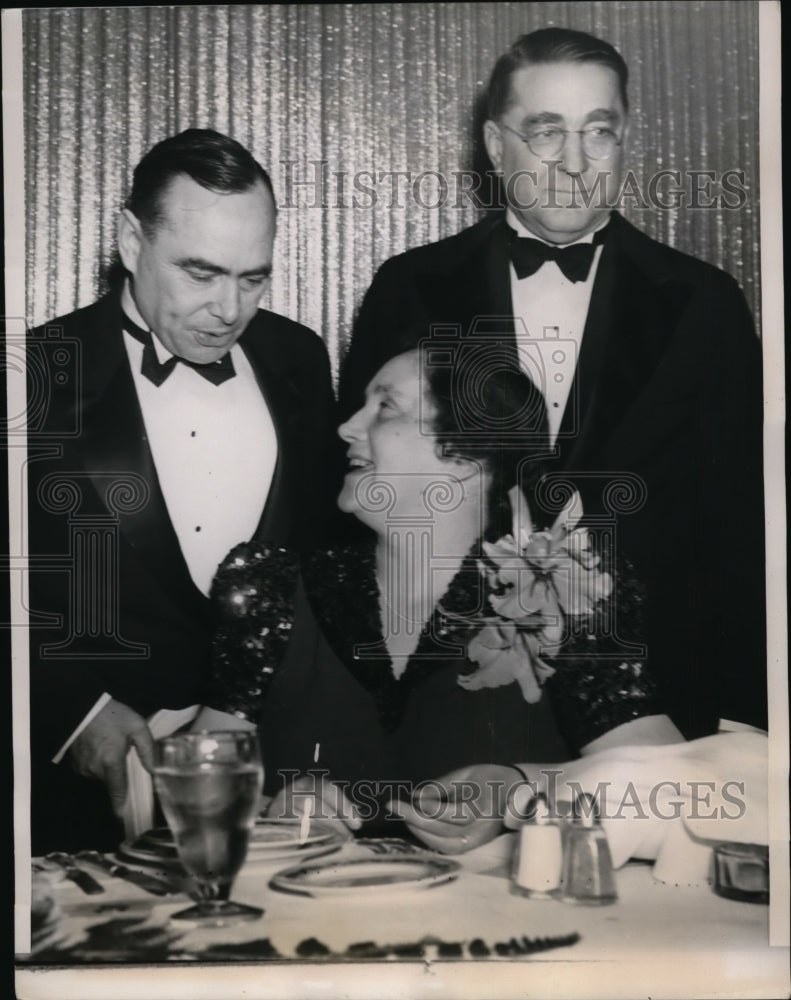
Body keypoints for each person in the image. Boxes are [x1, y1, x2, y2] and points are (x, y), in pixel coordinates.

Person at [338, 27, 766, 740]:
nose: (574, 162)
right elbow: (360, 510)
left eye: (598, 132)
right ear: (495, 145)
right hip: (456, 703)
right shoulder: (410, 288)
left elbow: (742, 527)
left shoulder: (703, 303)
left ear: (626, 138)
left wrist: (743, 723)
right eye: (545, 132)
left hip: (659, 700)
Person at [202, 345, 682, 834]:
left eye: (385, 407)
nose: (347, 428)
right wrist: (265, 808)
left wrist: (520, 792)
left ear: (468, 455)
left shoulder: (564, 588)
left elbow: (674, 790)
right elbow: (194, 782)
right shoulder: (273, 588)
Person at [27, 129, 339, 853]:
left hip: (274, 785)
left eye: (252, 278)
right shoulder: (33, 375)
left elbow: (326, 562)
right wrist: (74, 713)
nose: (228, 309)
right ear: (130, 240)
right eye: (200, 274)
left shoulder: (299, 359)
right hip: (81, 807)